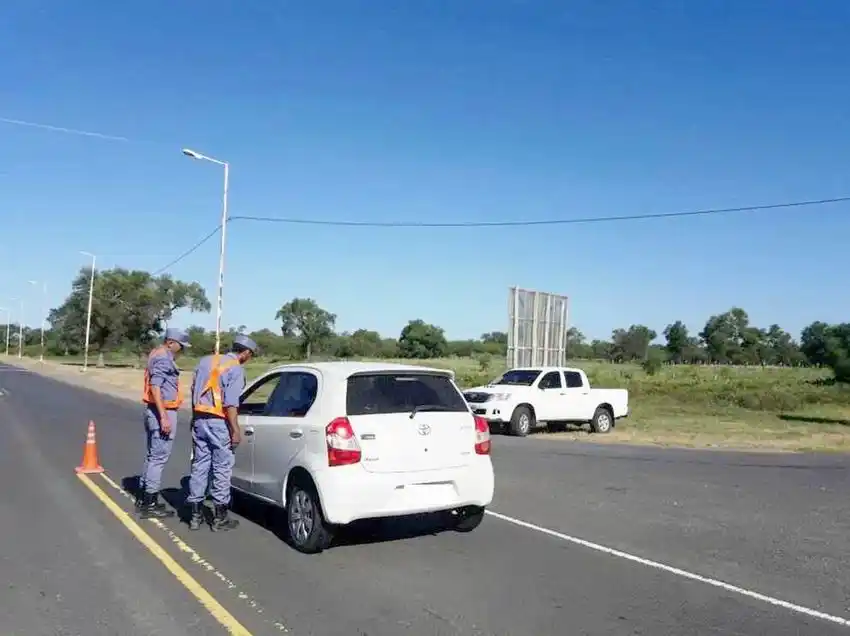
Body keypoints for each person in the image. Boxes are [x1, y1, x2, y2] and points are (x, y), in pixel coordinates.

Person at [186, 334, 257, 531]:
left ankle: (195, 515)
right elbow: (231, 404)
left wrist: (194, 419)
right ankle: (219, 517)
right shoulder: (235, 369)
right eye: (250, 355)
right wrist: (235, 430)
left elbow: (193, 392)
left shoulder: (205, 361)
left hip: (200, 419)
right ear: (245, 353)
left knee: (199, 465)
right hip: (219, 422)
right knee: (221, 468)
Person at [137, 327, 191, 519]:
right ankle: (150, 502)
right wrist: (164, 417)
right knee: (159, 457)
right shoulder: (162, 357)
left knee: (152, 455)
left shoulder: (156, 354)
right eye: (180, 346)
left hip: (156, 410)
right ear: (170, 342)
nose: (181, 350)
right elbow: (156, 387)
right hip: (162, 411)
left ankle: (144, 496)